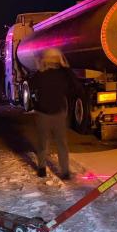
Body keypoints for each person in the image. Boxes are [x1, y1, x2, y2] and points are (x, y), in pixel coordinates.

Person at [28, 48, 85, 179]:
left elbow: (32, 88)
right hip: (56, 113)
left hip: (45, 113)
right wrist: (66, 68)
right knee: (60, 144)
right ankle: (63, 172)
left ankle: (44, 168)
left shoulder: (43, 74)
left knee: (45, 142)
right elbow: (76, 87)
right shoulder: (60, 74)